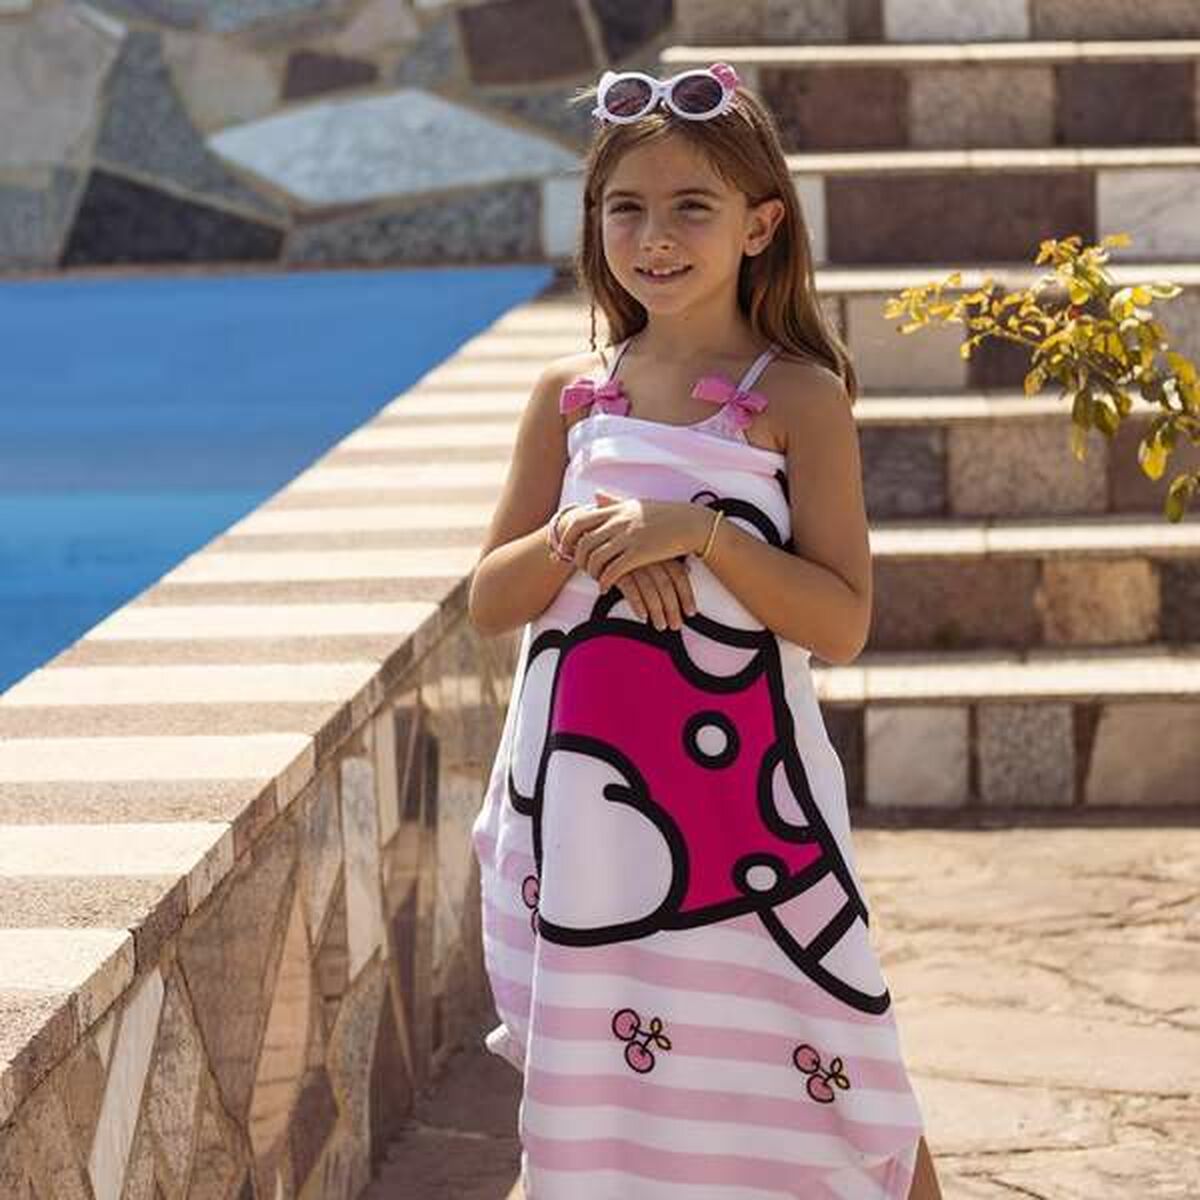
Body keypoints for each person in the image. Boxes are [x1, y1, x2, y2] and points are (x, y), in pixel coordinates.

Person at [467, 61, 943, 1200]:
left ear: (759, 225)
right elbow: (490, 598)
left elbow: (842, 621)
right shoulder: (572, 395)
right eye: (625, 208)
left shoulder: (799, 397)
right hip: (589, 826)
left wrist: (698, 532)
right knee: (603, 1087)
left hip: (748, 810)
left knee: (832, 1041)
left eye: (692, 207)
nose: (655, 237)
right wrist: (589, 537)